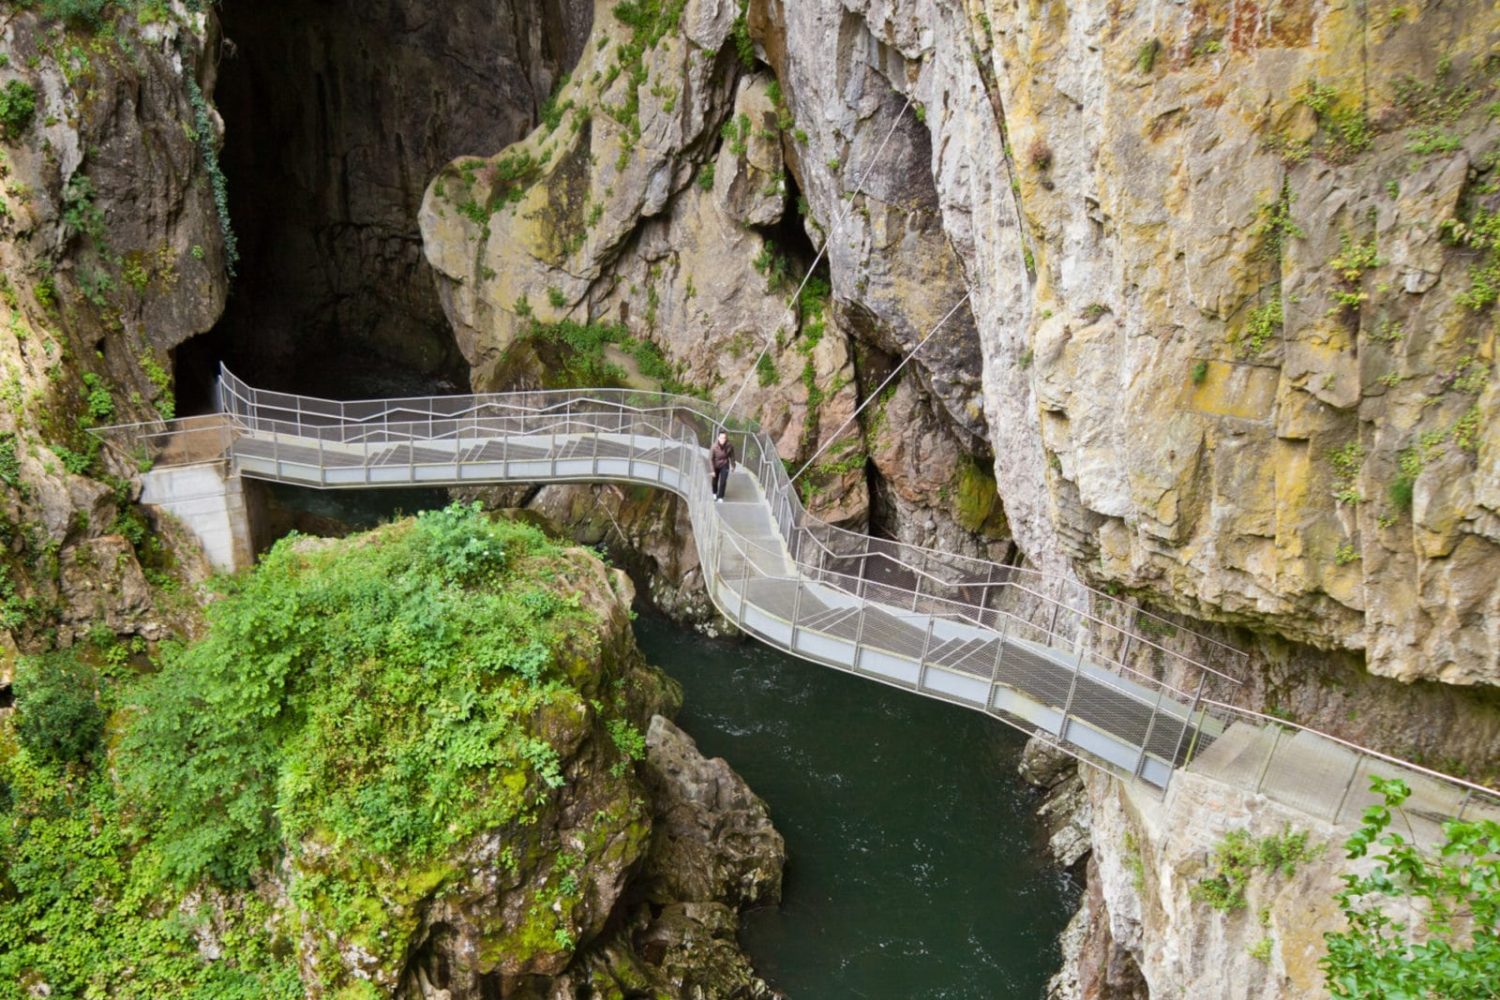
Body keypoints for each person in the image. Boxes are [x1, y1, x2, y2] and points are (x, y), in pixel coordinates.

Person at [710, 430, 735, 503]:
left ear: (726, 438)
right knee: (715, 480)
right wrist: (712, 470)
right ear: (718, 438)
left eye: (724, 438)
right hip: (716, 464)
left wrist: (733, 466)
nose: (722, 440)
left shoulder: (729, 446)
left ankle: (720, 496)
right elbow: (710, 459)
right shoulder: (714, 446)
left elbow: (732, 457)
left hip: (725, 464)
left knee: (723, 481)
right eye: (721, 438)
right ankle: (714, 492)